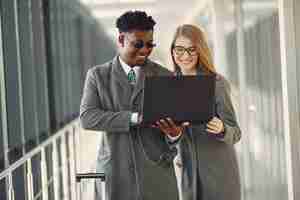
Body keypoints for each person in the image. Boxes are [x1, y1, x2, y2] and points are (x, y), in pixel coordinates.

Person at [79, 10, 188, 200]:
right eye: (138, 44)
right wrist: (134, 118)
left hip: (156, 175)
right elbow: (87, 118)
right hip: (116, 175)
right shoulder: (98, 76)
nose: (145, 50)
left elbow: (175, 131)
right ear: (121, 39)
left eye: (149, 45)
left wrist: (174, 134)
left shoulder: (165, 76)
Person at [164, 24, 242, 200]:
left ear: (200, 51)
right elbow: (166, 139)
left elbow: (236, 133)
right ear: (172, 51)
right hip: (189, 175)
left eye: (191, 50)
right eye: (179, 49)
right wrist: (173, 135)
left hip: (219, 175)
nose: (185, 56)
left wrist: (222, 129)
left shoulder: (216, 83)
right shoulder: (167, 86)